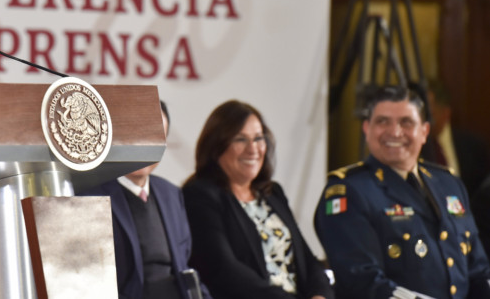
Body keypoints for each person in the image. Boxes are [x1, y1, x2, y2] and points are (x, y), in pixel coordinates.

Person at [315, 85, 490, 299]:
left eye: (406, 122)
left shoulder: (449, 184)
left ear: (424, 131)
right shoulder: (348, 192)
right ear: (366, 128)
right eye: (382, 121)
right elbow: (363, 282)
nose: (395, 132)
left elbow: (479, 272)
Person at [182, 100, 333, 299]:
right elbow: (224, 271)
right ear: (216, 146)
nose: (253, 149)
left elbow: (307, 259)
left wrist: (320, 295)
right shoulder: (200, 195)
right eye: (240, 139)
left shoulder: (272, 193)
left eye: (258, 138)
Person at [81, 100, 212, 299]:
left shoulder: (171, 194)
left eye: (155, 137)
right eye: (137, 135)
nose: (145, 146)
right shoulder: (89, 196)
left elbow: (185, 269)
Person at [420, 78, 490, 197]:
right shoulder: (412, 147)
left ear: (445, 113)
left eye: (428, 114)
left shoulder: (474, 146)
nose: (422, 120)